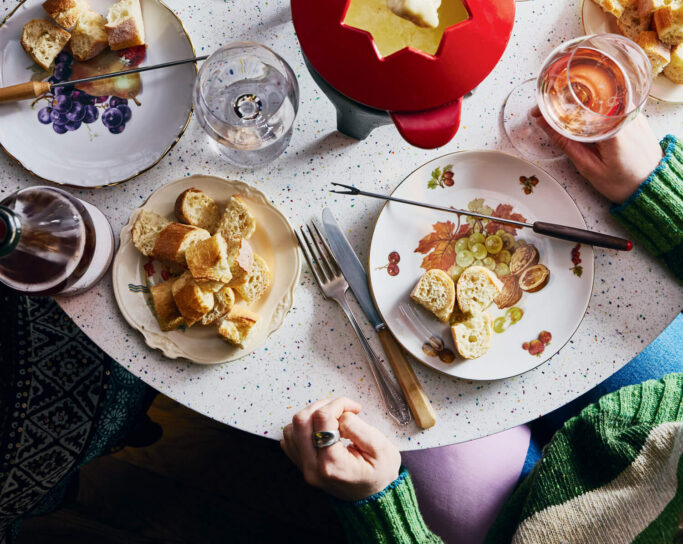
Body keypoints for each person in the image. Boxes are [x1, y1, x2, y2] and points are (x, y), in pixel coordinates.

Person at [281, 115, 683, 543]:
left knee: (418, 432)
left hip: (540, 517)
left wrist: (379, 507)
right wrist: (660, 195)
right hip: (660, 414)